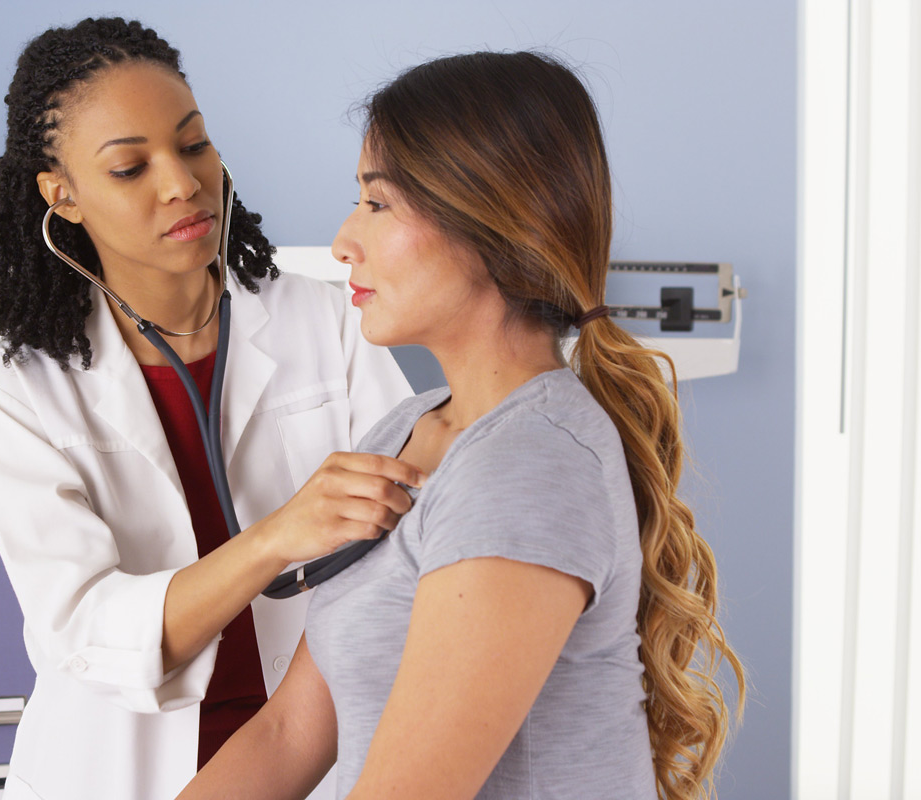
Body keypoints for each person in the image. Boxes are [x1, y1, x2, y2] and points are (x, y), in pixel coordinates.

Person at [179, 50, 746, 800]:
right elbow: (288, 735)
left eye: (376, 205)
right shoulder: (404, 432)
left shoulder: (533, 459)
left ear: (488, 221)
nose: (346, 239)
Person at [0, 17, 418, 800]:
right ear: (61, 195)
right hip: (119, 769)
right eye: (130, 167)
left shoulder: (329, 322)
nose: (180, 182)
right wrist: (279, 537)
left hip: (314, 752)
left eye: (194, 144)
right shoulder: (25, 387)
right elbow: (85, 628)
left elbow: (411, 534)